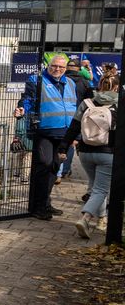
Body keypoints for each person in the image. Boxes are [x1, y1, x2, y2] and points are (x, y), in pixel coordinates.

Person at [15, 55, 78, 220]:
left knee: (54, 168)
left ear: (65, 69)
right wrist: (22, 108)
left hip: (65, 133)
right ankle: (37, 206)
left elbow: (75, 107)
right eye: (54, 66)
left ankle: (46, 203)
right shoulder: (37, 80)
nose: (57, 69)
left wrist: (76, 134)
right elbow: (28, 99)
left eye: (61, 67)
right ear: (48, 65)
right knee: (44, 164)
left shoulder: (70, 83)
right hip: (45, 131)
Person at [61, 74, 118, 238]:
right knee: (101, 190)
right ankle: (85, 218)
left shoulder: (86, 103)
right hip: (108, 153)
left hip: (85, 153)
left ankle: (102, 220)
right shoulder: (118, 104)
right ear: (116, 87)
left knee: (95, 187)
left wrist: (63, 147)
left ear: (99, 85)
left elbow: (73, 127)